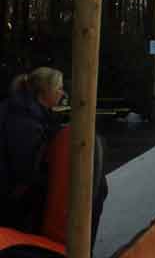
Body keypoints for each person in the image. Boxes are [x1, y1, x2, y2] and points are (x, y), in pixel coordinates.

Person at [0, 67, 108, 247]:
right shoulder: (24, 120)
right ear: (45, 92)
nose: (61, 93)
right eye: (58, 88)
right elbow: (25, 173)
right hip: (12, 205)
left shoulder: (28, 111)